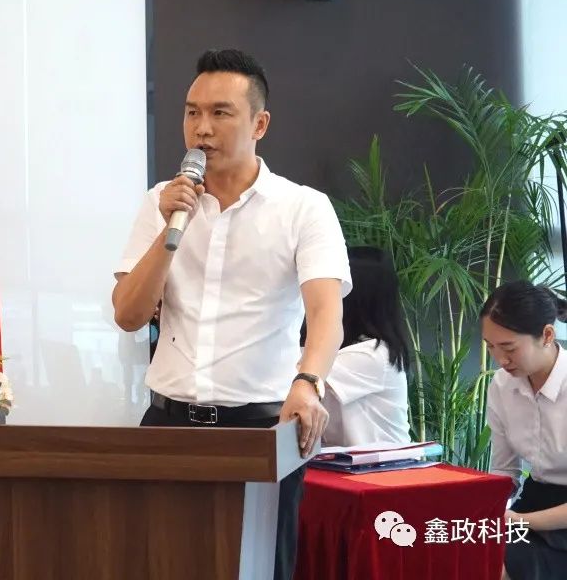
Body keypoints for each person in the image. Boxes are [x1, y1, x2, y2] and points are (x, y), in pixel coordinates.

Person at [112, 48, 351, 580]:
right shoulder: (161, 202)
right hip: (168, 425)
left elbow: (325, 315)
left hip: (261, 429)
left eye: (220, 113)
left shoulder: (303, 207)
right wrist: (171, 227)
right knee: (160, 567)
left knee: (261, 569)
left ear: (259, 124)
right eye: (192, 112)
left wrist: (308, 382)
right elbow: (128, 314)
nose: (202, 128)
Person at [480, 280, 567, 579]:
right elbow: (505, 471)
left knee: (499, 565)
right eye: (490, 346)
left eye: (509, 348)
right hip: (532, 503)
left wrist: (518, 520)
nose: (500, 359)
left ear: (547, 335)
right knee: (462, 549)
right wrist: (487, 508)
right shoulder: (502, 385)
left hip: (554, 520)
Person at [318, 246, 411, 446]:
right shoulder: (347, 347)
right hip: (343, 461)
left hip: (385, 464)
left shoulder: (374, 354)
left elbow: (298, 378)